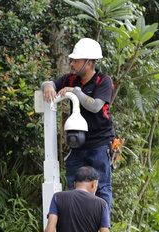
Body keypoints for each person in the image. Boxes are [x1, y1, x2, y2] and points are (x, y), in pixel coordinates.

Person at [42, 38, 115, 211]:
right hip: (78, 142)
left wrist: (75, 92)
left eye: (76, 61)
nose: (72, 64)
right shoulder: (71, 78)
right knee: (73, 186)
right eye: (72, 60)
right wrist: (48, 87)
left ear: (89, 63)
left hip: (99, 142)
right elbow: (50, 82)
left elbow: (96, 106)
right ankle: (77, 226)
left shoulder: (103, 81)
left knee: (101, 186)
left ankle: (102, 229)